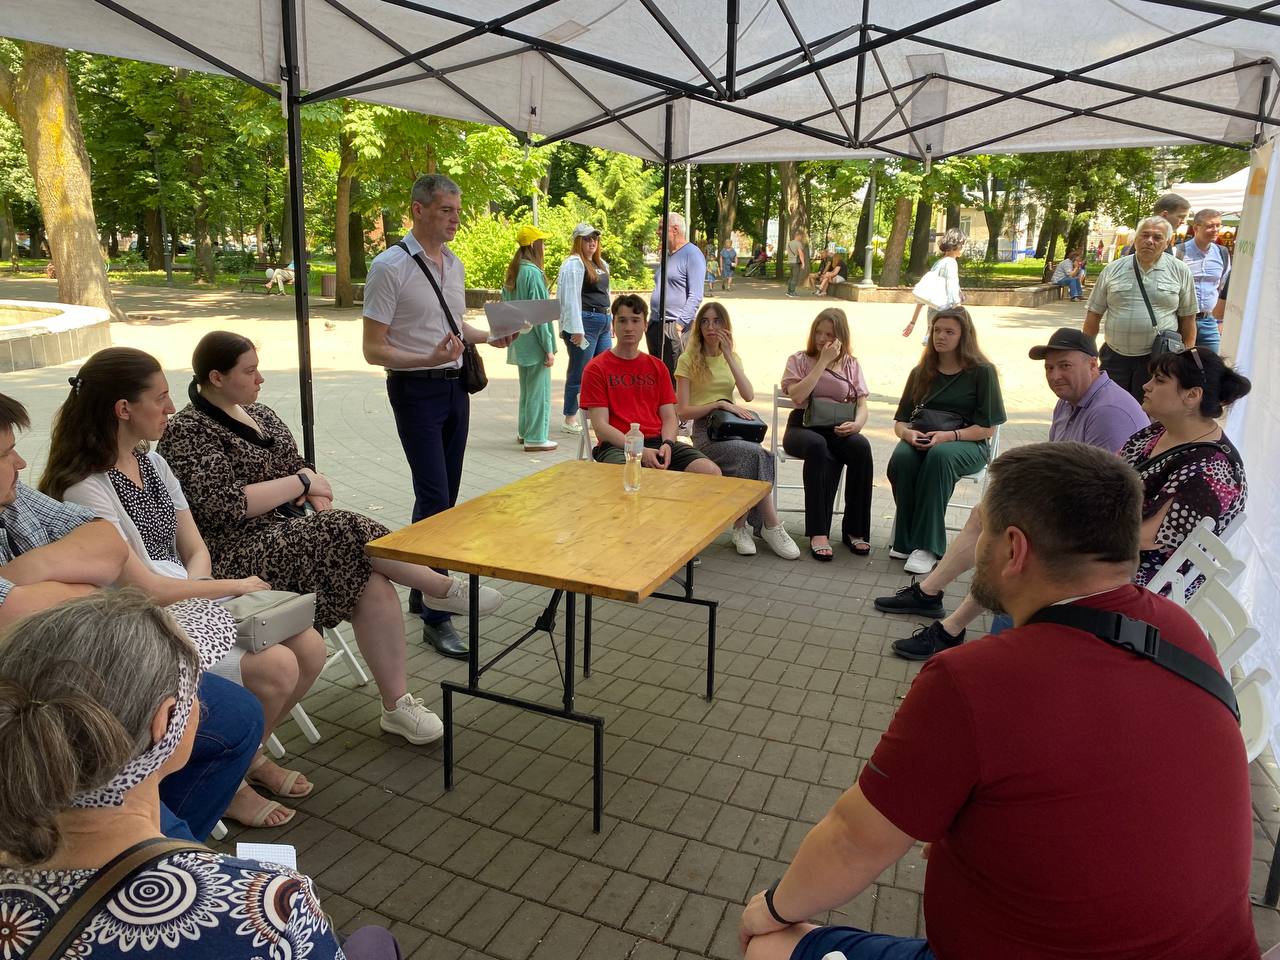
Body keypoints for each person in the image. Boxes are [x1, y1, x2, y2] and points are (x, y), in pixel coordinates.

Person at [739, 442, 1256, 960]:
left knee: (770, 946)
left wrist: (772, 909)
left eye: (980, 527)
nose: (973, 542)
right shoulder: (1181, 631)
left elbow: (853, 840)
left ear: (1014, 548)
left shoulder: (973, 679)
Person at [0, 591, 400, 960]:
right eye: (195, 687)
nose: (203, 704)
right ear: (165, 722)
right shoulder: (266, 906)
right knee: (374, 941)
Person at [159, 332, 502, 745]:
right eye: (249, 372)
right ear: (216, 377)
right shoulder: (189, 430)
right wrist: (302, 486)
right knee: (345, 535)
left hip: (290, 537)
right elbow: (227, 504)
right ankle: (438, 588)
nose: (260, 379)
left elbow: (305, 470)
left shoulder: (261, 414)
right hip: (234, 555)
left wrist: (313, 498)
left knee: (367, 572)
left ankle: (397, 705)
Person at [40, 347, 327, 829]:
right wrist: (226, 587)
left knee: (311, 647)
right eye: (161, 398)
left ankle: (245, 757)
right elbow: (141, 590)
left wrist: (199, 588)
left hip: (190, 596)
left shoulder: (153, 465)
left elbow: (195, 548)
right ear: (123, 408)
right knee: (277, 665)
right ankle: (231, 780)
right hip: (141, 619)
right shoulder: (85, 488)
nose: (172, 407)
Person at [0, 391, 262, 842]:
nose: (22, 463)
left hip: (90, 663)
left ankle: (154, 838)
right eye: (6, 454)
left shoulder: (18, 496)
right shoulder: (87, 480)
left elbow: (108, 544)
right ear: (122, 408)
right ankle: (144, 845)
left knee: (240, 715)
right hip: (36, 711)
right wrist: (73, 587)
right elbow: (26, 610)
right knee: (254, 684)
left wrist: (18, 576)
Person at [877, 328, 1148, 660]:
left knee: (1010, 538)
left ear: (1093, 364)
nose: (1055, 375)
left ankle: (950, 627)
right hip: (1074, 505)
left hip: (1100, 530)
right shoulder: (1069, 402)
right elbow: (1058, 467)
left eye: (1064, 365)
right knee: (986, 512)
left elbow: (1099, 498)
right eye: (1049, 368)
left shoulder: (1108, 412)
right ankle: (930, 594)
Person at [361, 173, 517, 658]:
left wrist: (491, 336)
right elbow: (373, 348)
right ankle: (436, 612)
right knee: (436, 500)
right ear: (418, 210)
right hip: (414, 390)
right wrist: (427, 358)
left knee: (443, 496)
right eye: (446, 210)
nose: (455, 219)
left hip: (455, 389)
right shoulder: (389, 267)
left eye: (457, 210)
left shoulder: (454, 264)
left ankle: (420, 586)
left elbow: (453, 325)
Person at [674, 301, 800, 559]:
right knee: (756, 454)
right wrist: (718, 404)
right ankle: (770, 525)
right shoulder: (687, 359)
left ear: (725, 326)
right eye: (705, 322)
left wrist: (729, 355)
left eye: (716, 321)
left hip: (733, 429)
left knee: (754, 455)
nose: (711, 327)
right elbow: (682, 411)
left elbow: (748, 394)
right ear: (699, 328)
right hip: (706, 432)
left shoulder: (731, 357)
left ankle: (741, 527)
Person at [887, 307, 1005, 575]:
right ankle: (905, 539)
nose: (941, 336)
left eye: (949, 331)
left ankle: (928, 547)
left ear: (964, 336)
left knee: (939, 457)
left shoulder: (982, 372)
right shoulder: (921, 372)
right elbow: (901, 421)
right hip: (923, 437)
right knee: (902, 458)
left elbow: (987, 429)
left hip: (968, 442)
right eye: (937, 330)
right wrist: (907, 434)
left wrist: (950, 436)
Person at [1122, 346, 1250, 590]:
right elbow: (1103, 477)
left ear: (1192, 395)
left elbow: (1145, 537)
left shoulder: (1212, 470)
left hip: (1147, 585)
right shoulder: (1155, 432)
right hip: (1109, 559)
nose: (1146, 386)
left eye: (1159, 380)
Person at [581, 294, 721, 476]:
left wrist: (668, 444)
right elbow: (601, 427)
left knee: (710, 471)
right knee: (634, 475)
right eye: (622, 321)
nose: (629, 327)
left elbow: (669, 417)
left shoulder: (657, 367)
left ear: (645, 325)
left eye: (635, 320)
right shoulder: (596, 368)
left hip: (659, 442)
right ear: (613, 326)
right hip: (617, 446)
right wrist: (639, 450)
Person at [780, 308, 875, 561]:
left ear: (841, 337)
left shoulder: (851, 364)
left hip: (838, 427)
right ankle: (818, 532)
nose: (822, 339)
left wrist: (857, 425)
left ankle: (855, 529)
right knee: (817, 446)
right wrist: (822, 362)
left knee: (861, 447)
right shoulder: (799, 359)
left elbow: (862, 404)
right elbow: (797, 396)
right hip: (803, 426)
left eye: (829, 334)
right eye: (818, 333)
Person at [1084, 215, 1197, 401]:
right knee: (1110, 406)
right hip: (1114, 356)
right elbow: (1093, 315)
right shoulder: (1113, 270)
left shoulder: (1180, 271)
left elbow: (1188, 319)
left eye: (1157, 237)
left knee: (1151, 409)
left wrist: (1186, 359)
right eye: (1144, 235)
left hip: (1158, 360)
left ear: (1168, 242)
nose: (1149, 241)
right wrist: (1088, 355)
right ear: (1135, 239)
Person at [503, 224, 558, 452]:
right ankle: (536, 438)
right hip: (535, 343)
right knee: (538, 391)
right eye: (542, 242)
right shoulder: (533, 273)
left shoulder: (513, 271)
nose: (544, 247)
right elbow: (540, 316)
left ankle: (525, 432)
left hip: (519, 341)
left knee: (527, 390)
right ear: (535, 245)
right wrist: (549, 348)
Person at [557, 222, 613, 436]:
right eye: (587, 239)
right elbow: (569, 298)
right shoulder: (574, 264)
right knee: (580, 370)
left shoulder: (601, 264)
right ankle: (570, 417)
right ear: (578, 241)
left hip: (603, 321)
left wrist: (611, 320)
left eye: (595, 238)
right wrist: (575, 328)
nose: (592, 242)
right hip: (585, 322)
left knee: (603, 370)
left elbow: (607, 293)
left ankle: (594, 415)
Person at [648, 212, 705, 381]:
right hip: (656, 324)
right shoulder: (667, 255)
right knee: (658, 378)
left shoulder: (692, 254)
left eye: (661, 228)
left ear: (675, 229)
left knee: (676, 380)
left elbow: (696, 295)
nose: (657, 232)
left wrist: (679, 326)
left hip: (675, 326)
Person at [1178, 207, 1231, 354]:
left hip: (1209, 321)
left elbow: (1222, 286)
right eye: (1210, 226)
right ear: (1196, 228)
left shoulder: (1222, 253)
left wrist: (1220, 320)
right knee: (1180, 363)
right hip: (1181, 321)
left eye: (1218, 225)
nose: (1215, 230)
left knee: (1213, 364)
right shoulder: (1179, 252)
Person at [902, 229, 965, 340]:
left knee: (933, 342)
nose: (964, 248)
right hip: (946, 314)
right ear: (956, 245)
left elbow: (925, 293)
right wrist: (961, 313)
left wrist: (913, 322)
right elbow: (952, 293)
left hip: (933, 314)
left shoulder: (939, 262)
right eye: (963, 244)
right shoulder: (951, 263)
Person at [1120, 192, 1191, 256]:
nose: (1183, 222)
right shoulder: (1150, 245)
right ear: (1164, 215)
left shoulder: (1164, 239)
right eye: (1181, 217)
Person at [785, 227, 808, 297]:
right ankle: (792, 292)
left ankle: (789, 291)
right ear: (798, 236)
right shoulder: (798, 243)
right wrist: (803, 263)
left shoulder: (789, 243)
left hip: (790, 262)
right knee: (795, 277)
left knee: (791, 277)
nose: (801, 238)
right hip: (795, 262)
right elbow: (800, 254)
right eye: (801, 236)